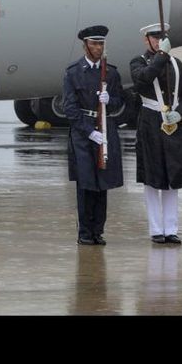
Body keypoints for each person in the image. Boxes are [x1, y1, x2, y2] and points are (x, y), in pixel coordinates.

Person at [130, 23, 182, 244]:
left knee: (172, 176)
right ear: (145, 39)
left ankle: (171, 228)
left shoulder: (177, 64)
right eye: (154, 38)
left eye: (161, 37)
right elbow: (144, 79)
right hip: (150, 122)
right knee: (152, 177)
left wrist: (181, 114)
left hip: (172, 123)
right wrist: (162, 55)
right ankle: (156, 229)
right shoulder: (138, 61)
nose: (158, 41)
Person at [62, 25, 124, 246]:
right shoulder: (73, 72)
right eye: (94, 43)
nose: (98, 48)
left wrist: (110, 101)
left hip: (105, 127)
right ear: (85, 45)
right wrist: (89, 132)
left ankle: (98, 230)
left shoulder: (111, 72)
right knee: (86, 183)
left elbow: (120, 102)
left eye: (101, 44)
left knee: (102, 184)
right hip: (83, 132)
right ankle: (85, 232)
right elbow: (69, 108)